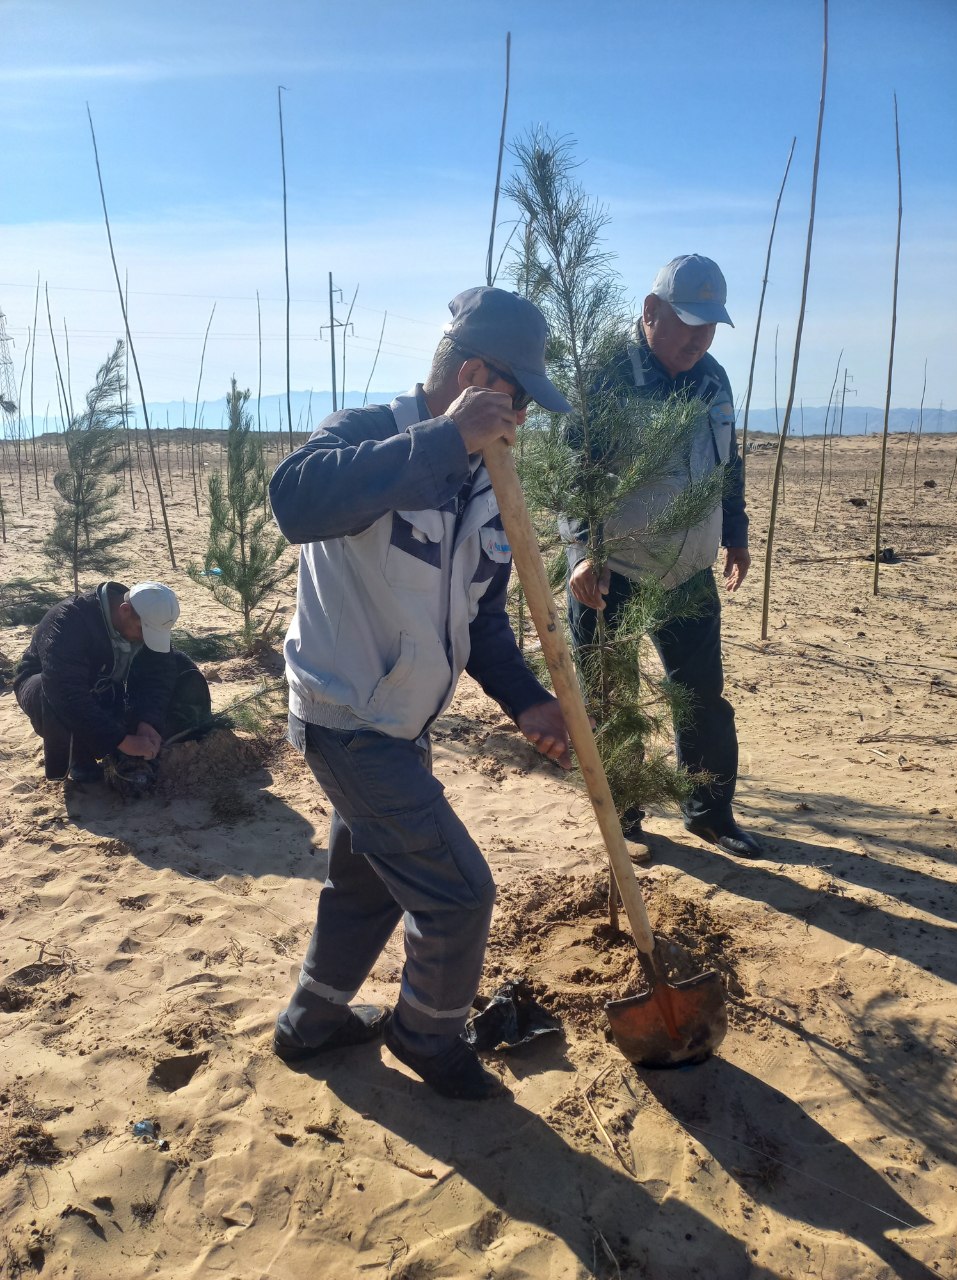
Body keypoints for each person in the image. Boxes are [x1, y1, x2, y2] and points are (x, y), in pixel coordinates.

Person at [269, 286, 573, 1101]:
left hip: (401, 725)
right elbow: (295, 501)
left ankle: (311, 1023)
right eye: (519, 403)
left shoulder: (486, 483)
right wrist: (444, 438)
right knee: (459, 896)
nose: (523, 423)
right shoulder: (368, 434)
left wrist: (527, 701)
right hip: (348, 719)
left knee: (369, 883)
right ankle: (425, 1035)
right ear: (475, 377)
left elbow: (482, 620)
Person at [563, 254, 761, 859]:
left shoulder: (714, 379)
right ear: (651, 312)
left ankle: (710, 814)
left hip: (689, 571)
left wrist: (735, 532)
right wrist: (581, 552)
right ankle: (622, 821)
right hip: (612, 572)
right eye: (690, 324)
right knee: (611, 701)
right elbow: (571, 476)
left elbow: (728, 463)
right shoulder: (604, 377)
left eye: (711, 327)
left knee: (702, 697)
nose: (700, 340)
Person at [13, 580, 210, 784]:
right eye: (143, 631)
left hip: (106, 687)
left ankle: (127, 742)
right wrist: (121, 740)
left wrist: (148, 722)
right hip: (48, 687)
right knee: (50, 692)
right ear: (124, 610)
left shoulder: (146, 619)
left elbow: (159, 674)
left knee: (177, 663)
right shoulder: (68, 620)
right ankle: (80, 759)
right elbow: (66, 692)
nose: (145, 639)